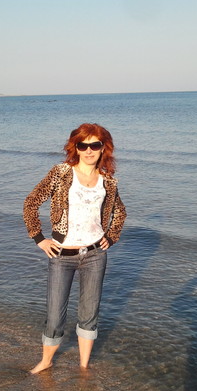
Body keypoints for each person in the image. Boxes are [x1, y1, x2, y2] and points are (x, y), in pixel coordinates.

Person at [23, 123, 127, 374]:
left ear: (103, 148)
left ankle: (83, 366)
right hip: (61, 255)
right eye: (83, 145)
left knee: (89, 313)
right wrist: (39, 238)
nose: (89, 150)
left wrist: (111, 237)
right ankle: (46, 361)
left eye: (95, 145)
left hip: (95, 255)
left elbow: (120, 212)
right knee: (55, 314)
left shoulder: (108, 181)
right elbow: (31, 203)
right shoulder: (61, 172)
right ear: (75, 148)